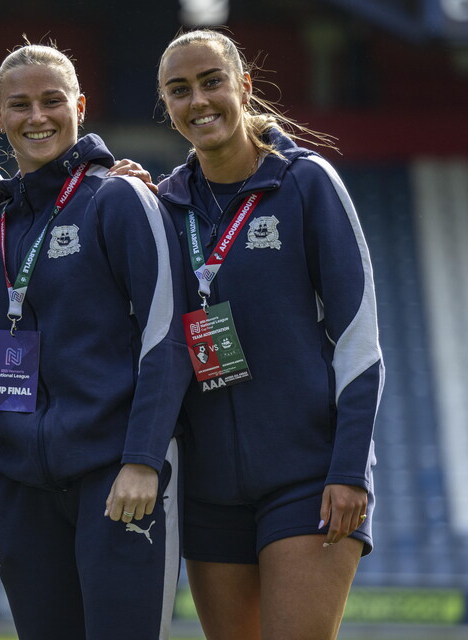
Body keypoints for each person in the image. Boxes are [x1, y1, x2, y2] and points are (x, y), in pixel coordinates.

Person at [153, 29, 382, 640]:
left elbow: (360, 339)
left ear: (244, 86)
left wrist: (350, 469)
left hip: (307, 480)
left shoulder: (308, 183)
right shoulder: (163, 207)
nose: (198, 101)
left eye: (211, 82)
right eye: (180, 91)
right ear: (167, 107)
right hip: (207, 491)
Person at [0, 43, 191, 640]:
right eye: (20, 104)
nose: (37, 116)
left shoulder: (118, 198)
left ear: (80, 107)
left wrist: (142, 459)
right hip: (19, 487)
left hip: (117, 478)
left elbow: (166, 335)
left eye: (51, 101)